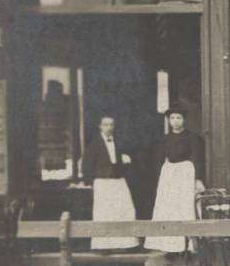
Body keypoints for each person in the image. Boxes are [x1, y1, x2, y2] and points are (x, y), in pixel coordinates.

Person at [145, 108, 205, 255]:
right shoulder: (165, 138)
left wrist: (198, 178)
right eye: (172, 118)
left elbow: (198, 159)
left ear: (184, 119)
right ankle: (170, 246)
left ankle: (187, 246)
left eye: (179, 118)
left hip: (185, 172)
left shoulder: (193, 137)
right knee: (169, 207)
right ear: (169, 121)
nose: (175, 121)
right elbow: (159, 159)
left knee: (184, 206)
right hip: (169, 173)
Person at [85, 114, 138, 251]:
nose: (108, 128)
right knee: (103, 212)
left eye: (111, 125)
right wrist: (89, 182)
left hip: (118, 180)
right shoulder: (94, 143)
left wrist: (125, 161)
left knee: (125, 210)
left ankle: (126, 243)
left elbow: (124, 159)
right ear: (100, 126)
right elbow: (87, 164)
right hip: (102, 181)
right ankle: (103, 245)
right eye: (105, 125)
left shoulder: (119, 142)